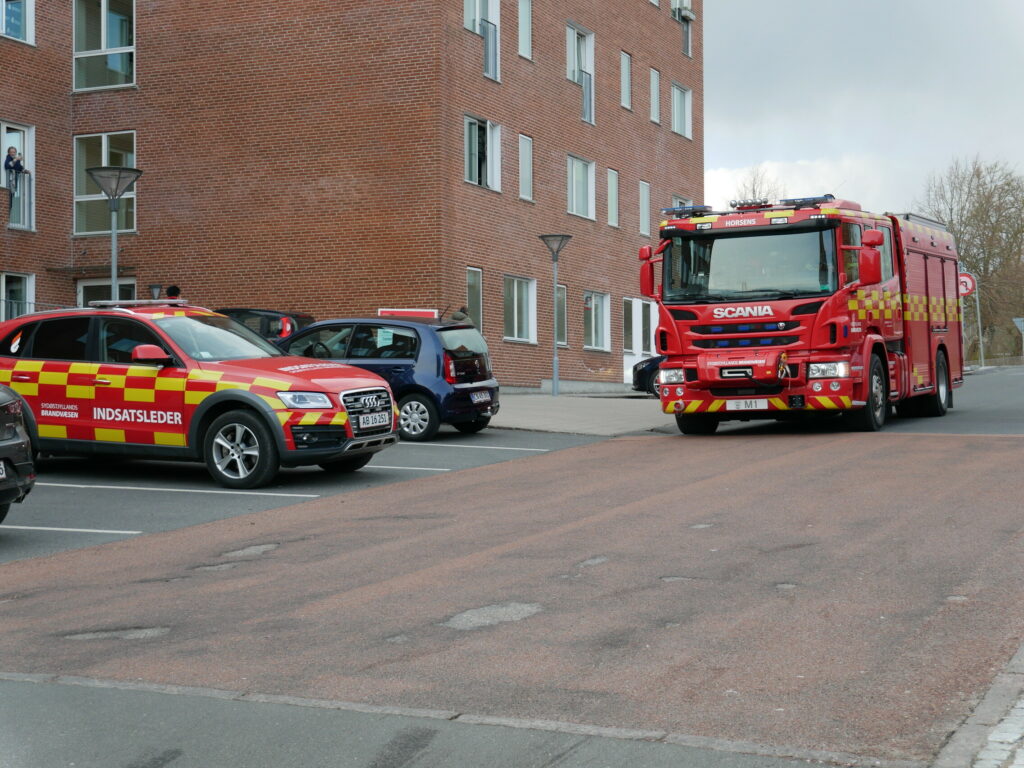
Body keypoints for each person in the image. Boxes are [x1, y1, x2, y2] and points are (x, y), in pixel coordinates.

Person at [4, 147, 29, 212]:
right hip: (9, 181)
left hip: (14, 181)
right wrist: (15, 159)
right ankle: (7, 209)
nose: (13, 153)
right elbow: (7, 166)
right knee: (9, 195)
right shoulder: (8, 158)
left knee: (12, 195)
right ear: (9, 153)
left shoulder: (17, 160)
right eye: (11, 152)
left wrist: (25, 171)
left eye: (14, 152)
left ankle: (10, 210)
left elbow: (19, 168)